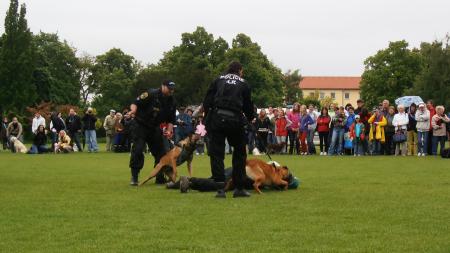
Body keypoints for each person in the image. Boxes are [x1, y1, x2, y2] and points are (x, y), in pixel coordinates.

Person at [202, 61, 254, 198]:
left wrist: (207, 117)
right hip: (235, 120)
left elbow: (207, 101)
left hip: (217, 119)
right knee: (239, 153)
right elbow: (248, 105)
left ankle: (220, 189)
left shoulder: (218, 79)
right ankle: (239, 188)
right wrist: (250, 117)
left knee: (217, 154)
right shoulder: (243, 83)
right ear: (240, 70)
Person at [128, 80, 177, 186]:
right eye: (169, 88)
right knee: (138, 149)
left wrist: (169, 130)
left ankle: (159, 177)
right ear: (163, 86)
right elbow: (135, 103)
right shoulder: (151, 94)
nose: (171, 91)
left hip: (154, 127)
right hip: (140, 125)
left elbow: (171, 120)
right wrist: (133, 111)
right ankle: (134, 177)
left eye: (172, 89)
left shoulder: (172, 101)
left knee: (161, 152)